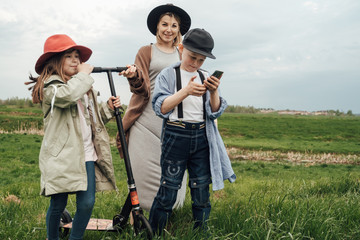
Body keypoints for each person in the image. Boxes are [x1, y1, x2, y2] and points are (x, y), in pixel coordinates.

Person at [25, 34, 120, 240]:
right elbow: (67, 96)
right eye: (70, 56)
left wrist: (108, 109)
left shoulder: (83, 89)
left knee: (87, 203)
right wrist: (84, 76)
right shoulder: (51, 88)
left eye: (78, 56)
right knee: (58, 203)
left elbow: (92, 122)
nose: (77, 60)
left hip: (86, 153)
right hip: (62, 156)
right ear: (56, 61)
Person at [149, 28, 236, 234]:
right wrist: (185, 91)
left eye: (201, 60)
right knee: (168, 189)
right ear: (181, 49)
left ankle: (200, 232)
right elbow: (160, 107)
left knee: (201, 190)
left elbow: (214, 112)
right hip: (175, 134)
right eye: (192, 57)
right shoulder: (168, 74)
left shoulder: (205, 77)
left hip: (201, 136)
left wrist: (213, 92)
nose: (195, 63)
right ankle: (154, 233)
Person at [117, 4, 191, 211]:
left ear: (179, 29)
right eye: (164, 24)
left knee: (173, 171)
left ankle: (166, 218)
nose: (169, 29)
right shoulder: (146, 51)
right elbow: (139, 85)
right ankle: (135, 220)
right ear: (157, 27)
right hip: (146, 119)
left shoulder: (182, 52)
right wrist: (133, 76)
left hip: (174, 119)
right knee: (141, 173)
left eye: (174, 26)